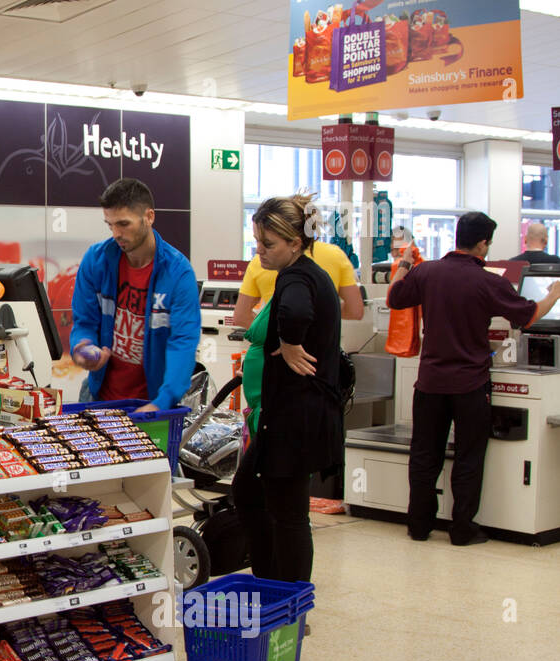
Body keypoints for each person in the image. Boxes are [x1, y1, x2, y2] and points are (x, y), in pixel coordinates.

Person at [388, 212, 560, 545]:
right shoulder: (489, 281)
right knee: (468, 456)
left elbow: (396, 298)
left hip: (429, 384)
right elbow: (527, 316)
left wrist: (405, 264)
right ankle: (462, 528)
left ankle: (419, 525)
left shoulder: (427, 272)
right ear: (483, 243)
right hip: (470, 385)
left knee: (425, 454)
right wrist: (553, 294)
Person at [232, 194, 341, 584]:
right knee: (249, 494)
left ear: (295, 242)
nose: (259, 251)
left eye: (268, 244)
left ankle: (290, 606)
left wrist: (291, 342)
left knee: (289, 514)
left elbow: (295, 312)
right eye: (257, 242)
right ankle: (270, 584)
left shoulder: (297, 276)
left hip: (295, 419)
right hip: (284, 416)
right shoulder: (304, 274)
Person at [70, 178, 201, 411]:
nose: (116, 233)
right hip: (98, 398)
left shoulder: (178, 273)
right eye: (110, 225)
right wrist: (82, 348)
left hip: (152, 403)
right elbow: (84, 323)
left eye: (123, 224)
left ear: (149, 216)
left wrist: (164, 401)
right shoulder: (96, 260)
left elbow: (183, 342)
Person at [232, 233, 363, 329]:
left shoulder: (262, 260)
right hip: (322, 348)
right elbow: (355, 310)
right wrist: (322, 311)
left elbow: (241, 316)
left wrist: (273, 336)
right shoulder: (335, 255)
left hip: (277, 352)